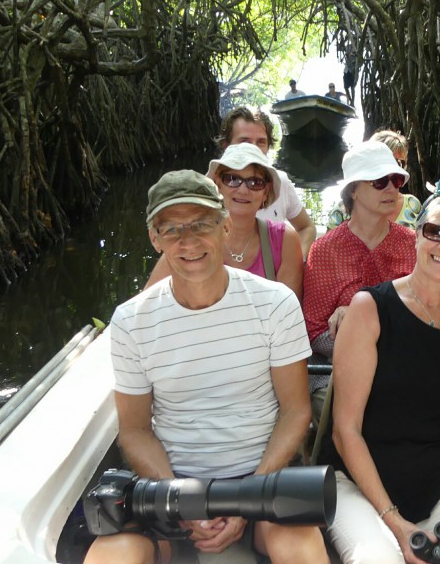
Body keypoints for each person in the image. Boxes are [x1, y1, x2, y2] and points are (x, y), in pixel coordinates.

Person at [85, 170, 328, 564]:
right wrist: (182, 500)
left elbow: (296, 410)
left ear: (225, 226)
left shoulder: (274, 303)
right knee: (112, 555)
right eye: (172, 229)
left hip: (260, 477)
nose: (189, 241)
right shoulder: (131, 321)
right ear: (154, 237)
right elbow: (134, 429)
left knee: (300, 547)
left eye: (201, 224)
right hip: (169, 486)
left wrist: (251, 494)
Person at [320, 177, 440, 564]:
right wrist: (396, 523)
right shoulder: (370, 309)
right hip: (361, 487)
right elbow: (345, 430)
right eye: (436, 231)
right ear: (416, 234)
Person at [302, 141, 416, 412]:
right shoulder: (325, 249)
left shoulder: (412, 244)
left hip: (404, 362)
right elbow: (313, 332)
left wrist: (357, 316)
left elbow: (426, 312)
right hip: (336, 368)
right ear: (353, 190)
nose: (391, 188)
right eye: (379, 181)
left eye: (396, 180)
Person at [143, 143, 303, 300]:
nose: (243, 190)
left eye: (255, 182)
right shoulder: (187, 249)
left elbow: (289, 312)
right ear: (217, 185)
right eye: (232, 179)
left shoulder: (285, 240)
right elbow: (144, 309)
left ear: (266, 192)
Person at [215, 107, 317, 258]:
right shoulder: (206, 188)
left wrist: (295, 262)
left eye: (261, 142)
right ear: (226, 145)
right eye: (245, 141)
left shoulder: (280, 183)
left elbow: (306, 227)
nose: (253, 149)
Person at [326, 130, 421, 230]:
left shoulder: (412, 204)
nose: (392, 169)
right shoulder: (341, 212)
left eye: (399, 163)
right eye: (387, 161)